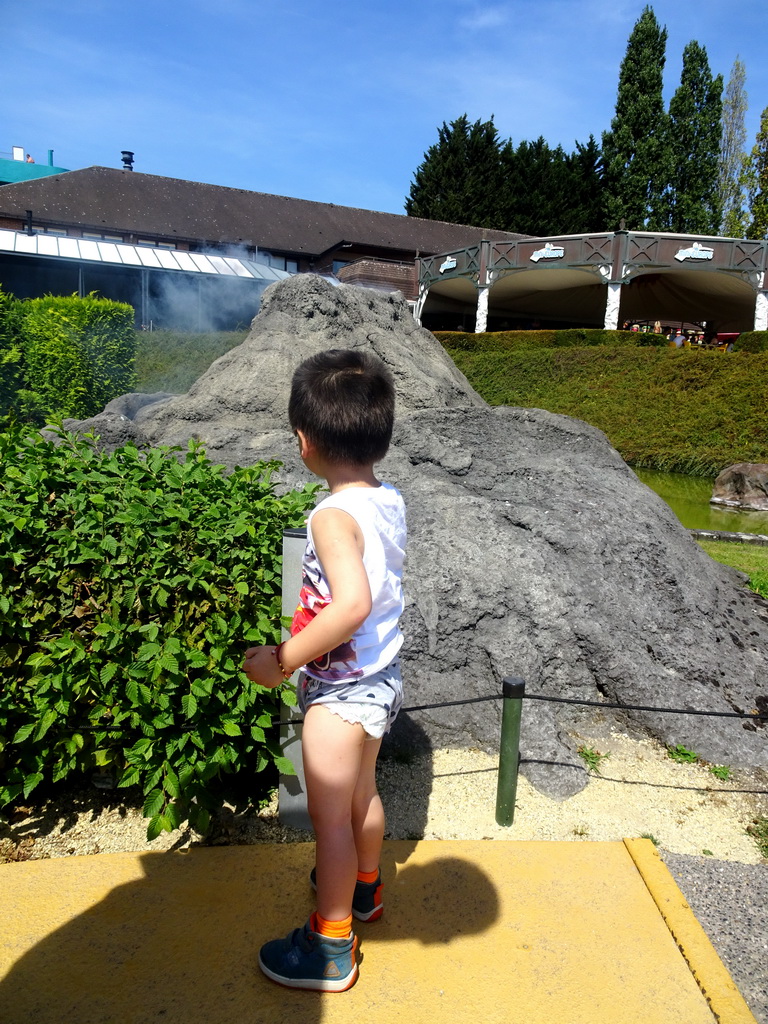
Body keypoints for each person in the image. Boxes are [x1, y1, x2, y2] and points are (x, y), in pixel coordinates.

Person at [242, 348, 406, 992]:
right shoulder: (385, 500)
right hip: (380, 683)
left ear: (303, 441)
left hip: (339, 695)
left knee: (329, 821)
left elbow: (352, 604)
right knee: (362, 796)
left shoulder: (332, 517)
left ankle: (332, 945)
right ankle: (366, 890)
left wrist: (283, 662)